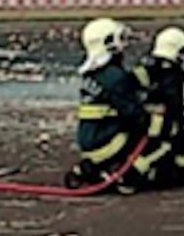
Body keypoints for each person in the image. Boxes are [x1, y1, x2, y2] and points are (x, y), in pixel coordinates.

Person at [66, 18, 162, 194]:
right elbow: (134, 115)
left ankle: (90, 169)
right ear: (108, 43)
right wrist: (154, 120)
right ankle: (127, 174)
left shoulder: (92, 75)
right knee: (158, 134)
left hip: (89, 141)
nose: (123, 46)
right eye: (119, 39)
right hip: (107, 142)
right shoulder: (115, 77)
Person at [134, 26, 184, 185]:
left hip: (141, 122)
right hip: (158, 127)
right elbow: (174, 105)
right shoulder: (170, 75)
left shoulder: (145, 67)